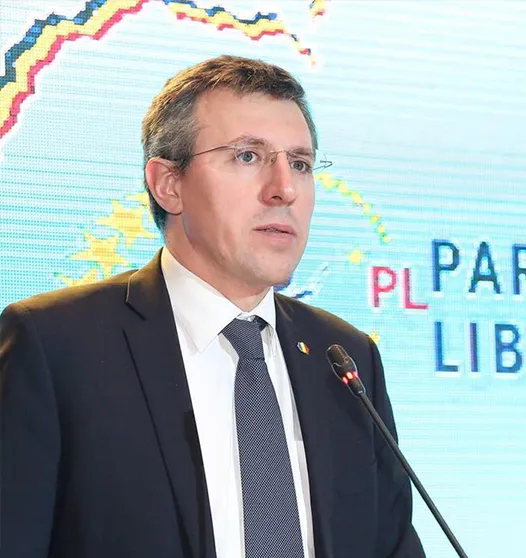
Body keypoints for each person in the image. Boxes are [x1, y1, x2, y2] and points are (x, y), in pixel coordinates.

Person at [0, 55, 425, 558]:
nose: (284, 189)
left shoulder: (345, 358)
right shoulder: (54, 346)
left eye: (300, 164)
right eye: (247, 156)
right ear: (168, 184)